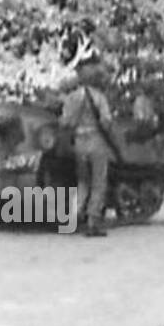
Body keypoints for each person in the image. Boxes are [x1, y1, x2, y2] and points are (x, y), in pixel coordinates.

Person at [59, 54, 123, 237]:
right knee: (98, 183)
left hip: (79, 143)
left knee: (82, 182)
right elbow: (106, 122)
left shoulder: (71, 98)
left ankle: (71, 219)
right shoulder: (99, 98)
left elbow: (65, 123)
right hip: (97, 143)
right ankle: (93, 221)